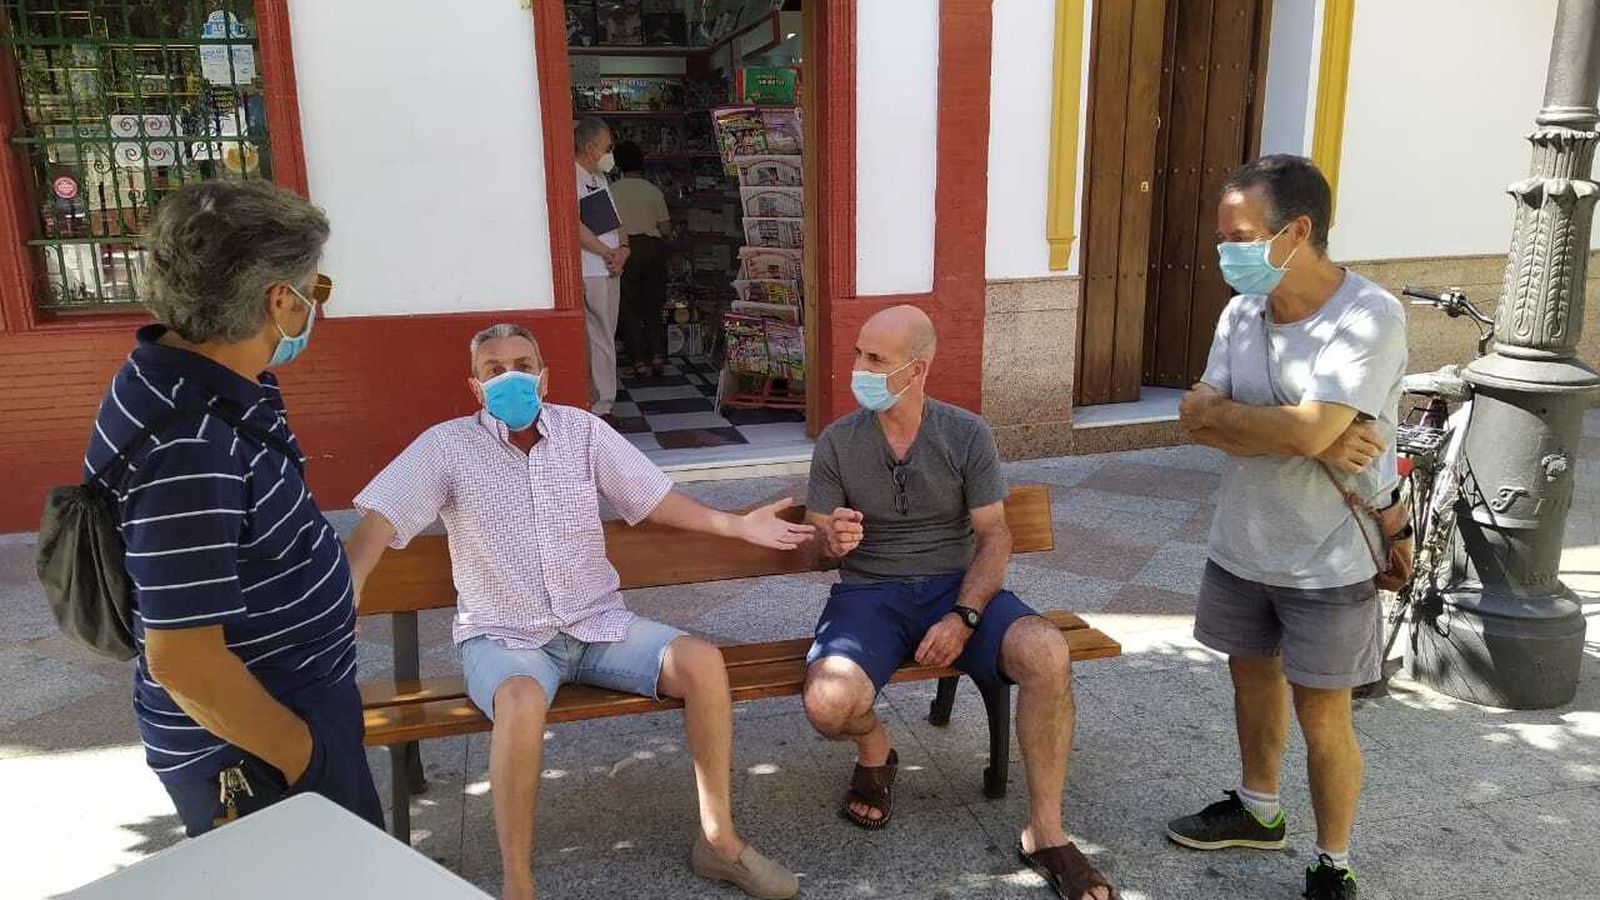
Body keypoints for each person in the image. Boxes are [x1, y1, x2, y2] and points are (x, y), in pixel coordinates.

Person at [343, 324, 807, 900]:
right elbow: (381, 518)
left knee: (703, 662)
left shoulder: (583, 432)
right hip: (506, 637)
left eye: (522, 363)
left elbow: (654, 499)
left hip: (597, 625)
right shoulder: (447, 446)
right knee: (520, 699)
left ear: (544, 376)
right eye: (494, 368)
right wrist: (351, 584)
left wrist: (737, 523)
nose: (509, 375)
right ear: (475, 385)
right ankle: (518, 883)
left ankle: (719, 842)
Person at [82, 181, 382, 836]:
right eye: (316, 288)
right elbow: (183, 660)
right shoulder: (188, 442)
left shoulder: (204, 382)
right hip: (251, 748)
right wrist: (306, 758)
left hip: (292, 708)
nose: (315, 303)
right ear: (281, 301)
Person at [800, 306, 1114, 900]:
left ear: (916, 371)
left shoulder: (966, 434)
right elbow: (816, 550)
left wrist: (964, 615)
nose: (858, 369)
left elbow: (995, 536)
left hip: (955, 584)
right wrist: (828, 540)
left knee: (1046, 651)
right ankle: (876, 747)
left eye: (876, 360)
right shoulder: (837, 443)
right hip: (869, 592)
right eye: (858, 355)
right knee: (827, 705)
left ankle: (1045, 832)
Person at [1170, 154, 1410, 900]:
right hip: (1244, 542)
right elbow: (1193, 415)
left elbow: (1260, 424)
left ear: (1297, 231)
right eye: (1222, 237)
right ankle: (1257, 808)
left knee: (1324, 716)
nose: (1224, 252)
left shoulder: (1368, 316)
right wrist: (1304, 431)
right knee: (1250, 681)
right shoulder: (1243, 311)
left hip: (1327, 559)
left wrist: (1271, 427)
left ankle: (1332, 861)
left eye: (1238, 235)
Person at [574, 117, 628, 417]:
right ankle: (600, 406)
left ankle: (603, 400)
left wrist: (623, 250)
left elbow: (615, 220)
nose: (610, 153)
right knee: (599, 336)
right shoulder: (572, 176)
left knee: (605, 334)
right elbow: (575, 225)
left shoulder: (600, 178)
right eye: (607, 147)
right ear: (591, 146)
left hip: (609, 268)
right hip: (591, 269)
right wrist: (607, 253)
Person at [609, 140, 673, 380]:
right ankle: (657, 356)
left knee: (628, 308)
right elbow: (665, 228)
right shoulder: (652, 190)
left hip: (625, 250)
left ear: (617, 164)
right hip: (652, 249)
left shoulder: (612, 191)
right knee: (653, 305)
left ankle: (639, 364)